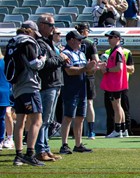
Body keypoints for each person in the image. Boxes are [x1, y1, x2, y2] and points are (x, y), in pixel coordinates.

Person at [8, 21, 46, 166]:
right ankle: (30, 153)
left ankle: (18, 155)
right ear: (30, 31)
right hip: (29, 85)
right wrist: (43, 59)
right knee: (37, 120)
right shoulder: (27, 42)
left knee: (20, 121)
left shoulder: (12, 42)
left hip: (17, 87)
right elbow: (34, 64)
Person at [34, 13, 66, 163]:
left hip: (54, 84)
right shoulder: (40, 43)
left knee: (48, 120)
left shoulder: (48, 42)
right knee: (44, 120)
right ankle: (40, 149)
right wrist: (60, 59)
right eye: (51, 25)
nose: (53, 28)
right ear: (41, 25)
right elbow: (45, 64)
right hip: (47, 85)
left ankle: (45, 148)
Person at [58, 30, 93, 154]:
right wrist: (85, 68)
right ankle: (64, 144)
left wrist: (93, 68)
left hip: (81, 88)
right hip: (70, 89)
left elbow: (86, 71)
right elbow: (69, 71)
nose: (81, 42)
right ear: (71, 40)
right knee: (68, 117)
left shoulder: (81, 53)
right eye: (78, 39)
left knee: (80, 117)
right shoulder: (65, 53)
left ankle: (78, 144)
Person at [99, 30, 129, 138]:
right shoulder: (114, 51)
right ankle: (123, 129)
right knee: (118, 106)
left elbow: (118, 67)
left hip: (115, 84)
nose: (109, 39)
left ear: (117, 38)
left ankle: (117, 130)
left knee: (116, 107)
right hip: (115, 83)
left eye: (111, 37)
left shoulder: (117, 52)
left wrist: (107, 69)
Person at [75, 23, 98, 138]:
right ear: (84, 31)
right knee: (89, 103)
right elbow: (96, 61)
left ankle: (76, 132)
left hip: (76, 74)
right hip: (88, 75)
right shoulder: (90, 43)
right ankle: (90, 131)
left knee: (75, 103)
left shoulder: (72, 41)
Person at [0, 48, 12, 150]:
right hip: (4, 92)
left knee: (5, 115)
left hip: (5, 92)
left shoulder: (4, 62)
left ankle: (8, 138)